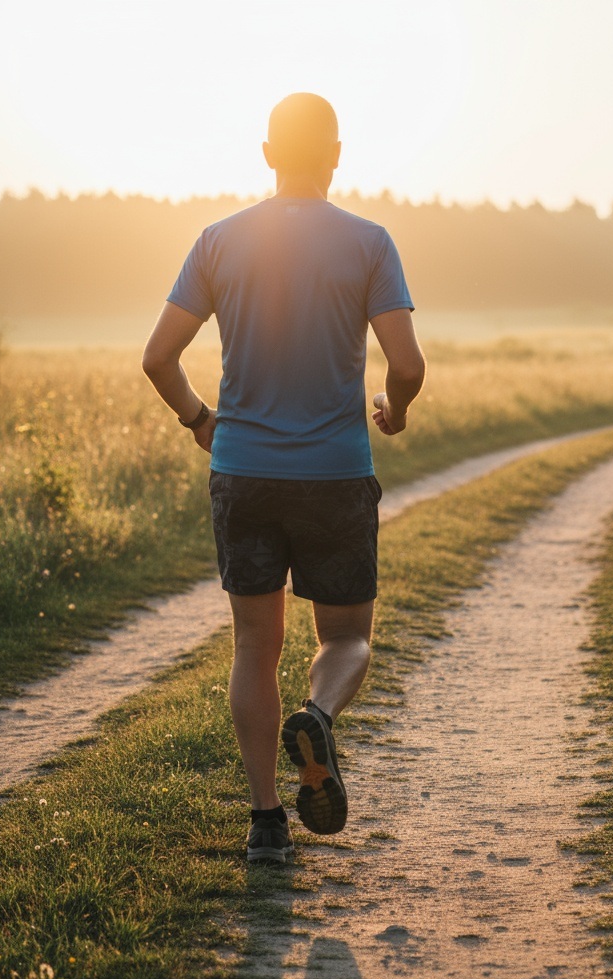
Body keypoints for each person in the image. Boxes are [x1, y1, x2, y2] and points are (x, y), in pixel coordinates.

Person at [141, 93, 426, 865]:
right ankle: (321, 716)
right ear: (336, 154)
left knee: (252, 646)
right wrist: (390, 409)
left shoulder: (218, 241)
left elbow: (157, 358)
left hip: (242, 471)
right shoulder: (369, 243)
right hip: (335, 475)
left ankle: (266, 821)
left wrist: (202, 421)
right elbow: (406, 366)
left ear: (268, 153)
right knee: (346, 638)